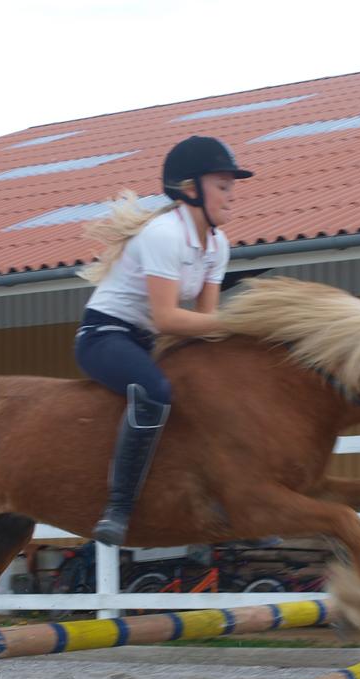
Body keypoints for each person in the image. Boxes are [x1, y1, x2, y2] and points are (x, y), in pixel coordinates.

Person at [75, 135, 253, 545]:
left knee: (212, 391)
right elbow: (169, 318)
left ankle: (234, 503)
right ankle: (118, 508)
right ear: (190, 189)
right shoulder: (164, 235)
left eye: (232, 188)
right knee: (154, 391)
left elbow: (206, 320)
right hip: (105, 335)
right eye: (223, 187)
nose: (231, 197)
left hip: (148, 340)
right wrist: (238, 324)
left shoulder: (217, 244)